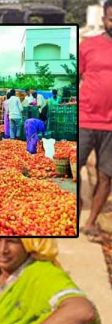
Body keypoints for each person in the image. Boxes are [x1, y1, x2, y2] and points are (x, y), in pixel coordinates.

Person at [79, 1, 112, 242]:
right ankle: (75, 203)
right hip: (86, 118)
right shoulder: (89, 45)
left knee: (106, 175)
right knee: (72, 167)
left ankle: (90, 223)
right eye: (111, 18)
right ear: (105, 19)